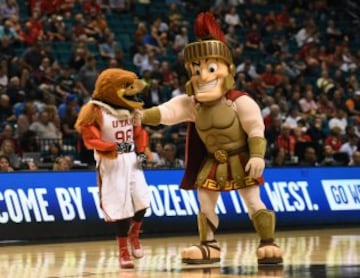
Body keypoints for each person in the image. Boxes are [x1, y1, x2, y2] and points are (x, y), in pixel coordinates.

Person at [138, 12, 283, 265]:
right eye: (196, 69)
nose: (203, 76)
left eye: (210, 68)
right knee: (205, 202)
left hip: (241, 158)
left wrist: (258, 154)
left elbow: (256, 129)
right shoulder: (191, 104)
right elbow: (165, 113)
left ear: (228, 70)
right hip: (212, 161)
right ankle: (209, 245)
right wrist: (137, 116)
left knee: (252, 201)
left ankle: (268, 242)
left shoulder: (241, 101)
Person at [75, 68, 150, 269]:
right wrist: (114, 147)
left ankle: (135, 234)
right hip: (110, 161)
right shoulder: (94, 109)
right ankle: (123, 252)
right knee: (121, 208)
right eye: (125, 86)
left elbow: (140, 133)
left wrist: (141, 151)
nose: (129, 91)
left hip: (131, 157)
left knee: (143, 200)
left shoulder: (130, 109)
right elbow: (91, 140)